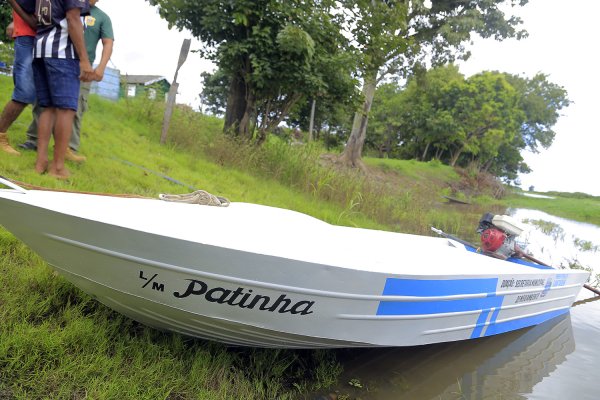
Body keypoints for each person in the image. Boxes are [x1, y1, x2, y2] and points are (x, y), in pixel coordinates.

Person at [21, 0, 114, 163]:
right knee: (59, 107)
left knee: (63, 107)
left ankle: (63, 151)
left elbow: (108, 42)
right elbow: (72, 19)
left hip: (53, 54)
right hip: (64, 56)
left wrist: (99, 67)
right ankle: (52, 161)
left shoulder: (102, 17)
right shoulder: (72, 6)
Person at [32, 0, 95, 179]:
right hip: (62, 52)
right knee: (66, 109)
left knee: (48, 107)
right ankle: (58, 167)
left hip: (40, 49)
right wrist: (84, 58)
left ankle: (41, 161)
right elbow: (73, 18)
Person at [0, 0, 36, 156]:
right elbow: (33, 18)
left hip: (35, 39)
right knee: (24, 92)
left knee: (30, 93)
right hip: (27, 37)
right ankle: (1, 135)